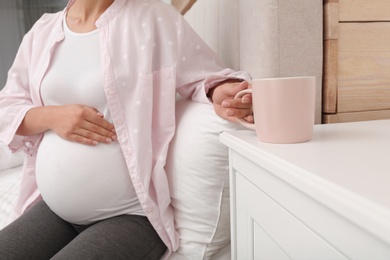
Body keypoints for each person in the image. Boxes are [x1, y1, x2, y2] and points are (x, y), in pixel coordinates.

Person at [0, 0, 252, 259]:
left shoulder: (153, 17)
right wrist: (51, 116)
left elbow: (204, 77)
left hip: (129, 215)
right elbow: (7, 108)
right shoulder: (42, 32)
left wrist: (221, 92)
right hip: (53, 210)